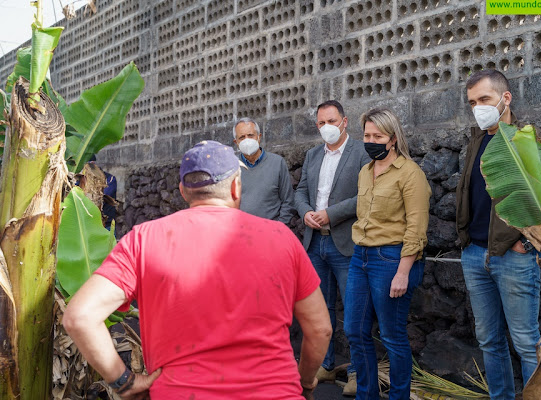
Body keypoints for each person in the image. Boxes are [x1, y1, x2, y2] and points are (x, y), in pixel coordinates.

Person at [63, 140, 332, 400]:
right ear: (237, 187)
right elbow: (320, 330)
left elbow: (79, 317)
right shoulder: (281, 238)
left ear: (182, 191)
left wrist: (124, 382)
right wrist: (305, 382)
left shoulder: (144, 239)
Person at [456, 69, 541, 399]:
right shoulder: (477, 141)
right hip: (475, 254)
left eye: (484, 99)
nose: (478, 107)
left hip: (515, 258)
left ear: (505, 98)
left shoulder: (528, 138)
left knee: (525, 341)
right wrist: (465, 242)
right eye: (472, 102)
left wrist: (528, 243)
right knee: (489, 340)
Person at [344, 108, 431, 400]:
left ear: (392, 139)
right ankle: (366, 395)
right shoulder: (365, 171)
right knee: (355, 331)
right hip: (361, 258)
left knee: (392, 337)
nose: (371, 141)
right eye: (367, 135)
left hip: (392, 260)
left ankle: (398, 397)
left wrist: (403, 272)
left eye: (377, 136)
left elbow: (417, 228)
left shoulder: (410, 173)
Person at [295, 100, 371, 395]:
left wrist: (331, 214)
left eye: (331, 120)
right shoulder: (313, 154)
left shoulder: (362, 153)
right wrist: (305, 213)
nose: (326, 127)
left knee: (353, 309)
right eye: (321, 123)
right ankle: (323, 365)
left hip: (345, 242)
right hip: (315, 242)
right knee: (319, 308)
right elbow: (301, 191)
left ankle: (355, 372)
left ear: (345, 121)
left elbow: (365, 196)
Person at [233, 117, 295, 225]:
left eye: (251, 135)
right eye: (242, 137)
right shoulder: (231, 167)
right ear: (236, 142)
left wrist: (279, 228)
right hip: (242, 234)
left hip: (271, 234)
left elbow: (288, 201)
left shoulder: (277, 163)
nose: (247, 140)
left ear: (259, 137)